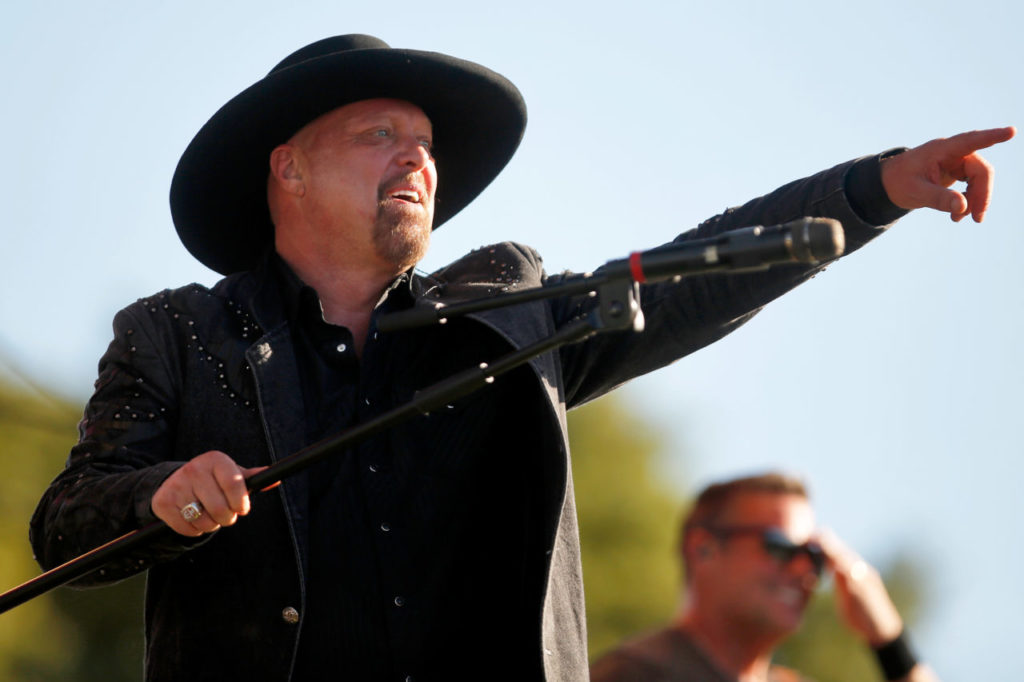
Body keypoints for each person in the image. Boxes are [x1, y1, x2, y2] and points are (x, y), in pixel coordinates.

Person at [27, 34, 1010, 682]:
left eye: (425, 145)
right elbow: (67, 525)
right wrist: (160, 496)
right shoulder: (175, 331)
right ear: (287, 165)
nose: (417, 157)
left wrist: (876, 186)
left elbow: (687, 278)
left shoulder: (505, 316)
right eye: (381, 135)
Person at [590, 473, 939, 682]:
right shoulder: (636, 674)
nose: (804, 571)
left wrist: (889, 640)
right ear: (703, 548)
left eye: (815, 556)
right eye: (781, 547)